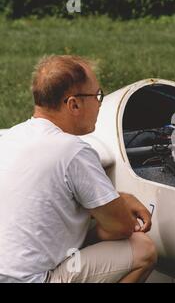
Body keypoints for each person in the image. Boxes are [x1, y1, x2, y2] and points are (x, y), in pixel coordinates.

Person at [0, 55, 157, 283]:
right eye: (97, 95)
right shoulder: (73, 151)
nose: (100, 102)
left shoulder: (9, 137)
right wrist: (118, 205)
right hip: (31, 280)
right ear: (74, 104)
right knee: (142, 249)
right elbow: (121, 228)